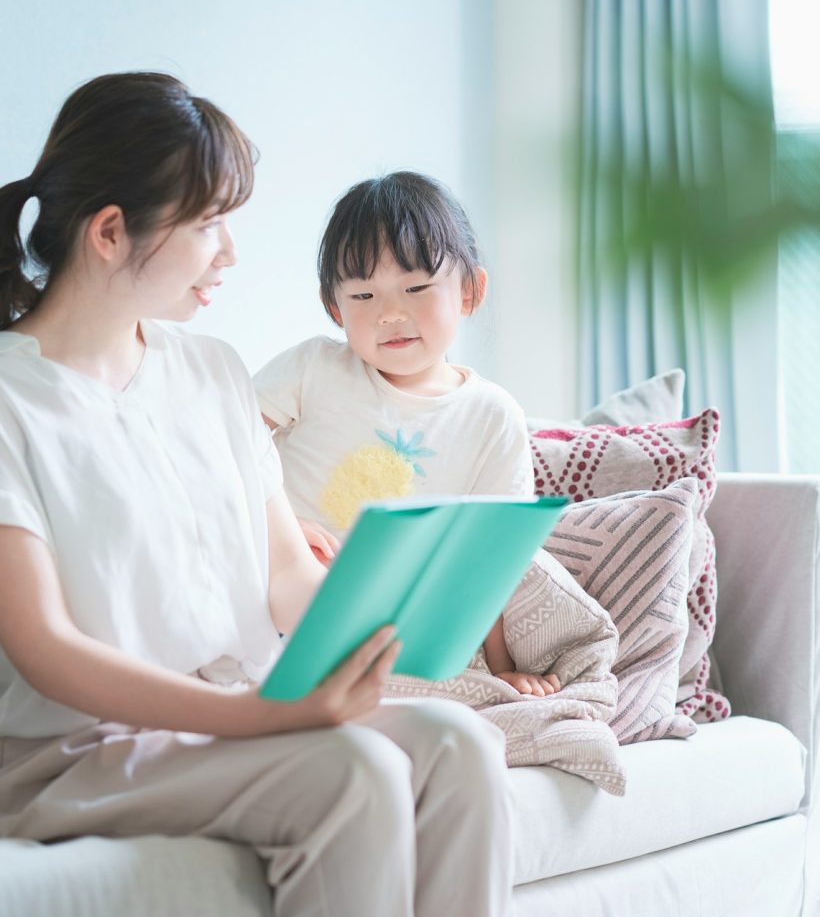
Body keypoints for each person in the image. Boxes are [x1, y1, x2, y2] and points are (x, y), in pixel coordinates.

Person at [0, 73, 513, 917]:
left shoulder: (211, 371)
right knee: (356, 772)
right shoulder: (15, 400)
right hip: (76, 752)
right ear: (109, 232)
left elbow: (285, 579)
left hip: (236, 706)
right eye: (208, 224)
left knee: (462, 745)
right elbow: (44, 647)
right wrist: (260, 720)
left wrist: (389, 616)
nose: (230, 252)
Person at [253, 171, 560, 698]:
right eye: (364, 294)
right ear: (335, 309)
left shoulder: (491, 415)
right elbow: (222, 444)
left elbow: (488, 557)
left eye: (416, 288)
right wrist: (277, 521)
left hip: (396, 634)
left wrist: (501, 667)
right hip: (280, 602)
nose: (390, 313)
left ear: (469, 291)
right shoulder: (313, 368)